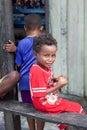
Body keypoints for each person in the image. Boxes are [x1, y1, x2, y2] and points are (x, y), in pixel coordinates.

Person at [30, 33, 86, 130]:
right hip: (43, 103)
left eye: (53, 55)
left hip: (46, 101)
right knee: (77, 107)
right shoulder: (36, 70)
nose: (50, 59)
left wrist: (55, 79)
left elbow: (45, 82)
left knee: (67, 109)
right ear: (36, 54)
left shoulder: (44, 67)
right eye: (46, 55)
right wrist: (58, 86)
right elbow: (39, 93)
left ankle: (64, 127)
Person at [14, 14, 44, 130]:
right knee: (40, 109)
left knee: (28, 108)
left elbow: (18, 64)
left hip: (25, 82)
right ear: (41, 28)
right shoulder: (43, 43)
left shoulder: (21, 43)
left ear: (25, 28)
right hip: (40, 81)